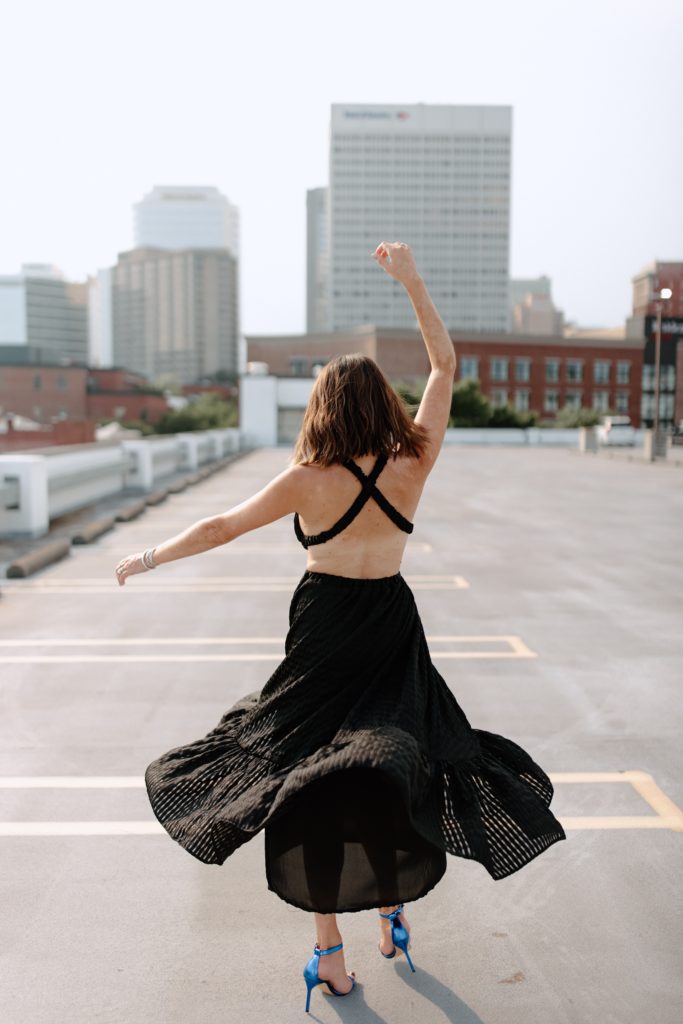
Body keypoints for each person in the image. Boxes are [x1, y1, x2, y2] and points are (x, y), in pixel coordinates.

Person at [114, 241, 566, 1013]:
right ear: (381, 405)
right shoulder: (412, 462)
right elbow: (445, 367)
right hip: (390, 625)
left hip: (323, 631)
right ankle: (392, 911)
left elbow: (222, 526)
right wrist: (412, 280)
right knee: (398, 759)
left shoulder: (306, 479)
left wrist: (150, 554)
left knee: (307, 777)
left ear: (321, 406)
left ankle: (329, 951)